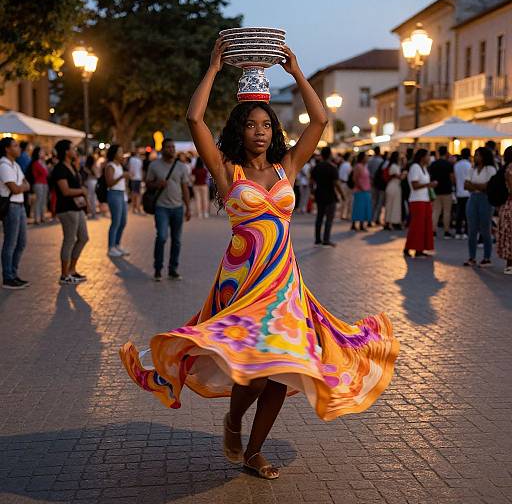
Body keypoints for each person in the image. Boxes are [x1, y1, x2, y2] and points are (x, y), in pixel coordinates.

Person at [119, 40, 399, 480]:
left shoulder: (288, 166)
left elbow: (321, 119)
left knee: (280, 371)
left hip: (285, 285)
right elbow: (194, 118)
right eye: (251, 125)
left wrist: (298, 72)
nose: (260, 131)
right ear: (239, 130)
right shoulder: (227, 170)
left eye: (266, 124)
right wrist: (213, 67)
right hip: (242, 284)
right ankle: (233, 421)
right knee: (251, 372)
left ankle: (253, 450)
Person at [146, 138, 191, 281]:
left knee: (177, 240)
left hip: (177, 207)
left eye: (173, 147)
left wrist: (188, 207)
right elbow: (147, 184)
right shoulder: (154, 165)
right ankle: (158, 268)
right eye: (168, 147)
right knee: (162, 237)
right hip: (161, 207)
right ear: (162, 149)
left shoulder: (181, 167)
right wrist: (156, 184)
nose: (171, 149)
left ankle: (173, 269)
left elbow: (185, 188)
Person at [52, 140, 89, 285]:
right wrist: (82, 191)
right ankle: (64, 274)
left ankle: (72, 269)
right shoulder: (60, 168)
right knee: (69, 239)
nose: (76, 150)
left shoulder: (73, 166)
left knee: (83, 237)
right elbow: (65, 191)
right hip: (66, 209)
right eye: (73, 148)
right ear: (66, 151)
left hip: (77, 207)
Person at [0, 137, 30, 289]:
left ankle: (13, 273)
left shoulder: (15, 165)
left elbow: (26, 184)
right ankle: (7, 277)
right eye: (15, 145)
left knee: (22, 242)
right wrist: (22, 187)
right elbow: (16, 188)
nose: (18, 148)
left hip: (20, 206)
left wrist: (22, 186)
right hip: (11, 206)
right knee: (10, 242)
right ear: (7, 149)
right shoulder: (4, 166)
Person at [463, 147, 496, 267]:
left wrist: (474, 185)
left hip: (485, 200)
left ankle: (487, 258)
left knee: (485, 229)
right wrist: (479, 186)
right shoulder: (472, 169)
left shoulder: (490, 169)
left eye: (478, 155)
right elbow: (465, 185)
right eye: (475, 155)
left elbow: (488, 186)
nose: (476, 157)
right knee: (472, 229)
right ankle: (472, 257)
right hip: (473, 199)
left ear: (484, 156)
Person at [404, 149, 437, 257]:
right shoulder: (415, 167)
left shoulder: (424, 168)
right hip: (417, 200)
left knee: (425, 225)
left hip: (425, 199)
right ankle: (411, 247)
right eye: (428, 156)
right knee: (417, 225)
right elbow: (414, 185)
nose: (429, 158)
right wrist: (429, 185)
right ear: (422, 157)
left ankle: (421, 248)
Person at [311, 146, 343, 246]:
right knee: (329, 218)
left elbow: (311, 181)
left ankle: (317, 238)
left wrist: (312, 192)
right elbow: (336, 183)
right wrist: (341, 194)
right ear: (329, 155)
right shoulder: (332, 167)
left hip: (319, 194)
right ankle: (326, 239)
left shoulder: (316, 167)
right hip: (330, 195)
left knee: (319, 217)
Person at [105, 145, 130, 257]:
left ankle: (117, 244)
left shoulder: (120, 165)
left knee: (123, 221)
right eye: (120, 152)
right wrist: (121, 177)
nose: (122, 154)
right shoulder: (110, 166)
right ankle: (111, 247)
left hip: (122, 194)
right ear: (114, 153)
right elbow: (109, 183)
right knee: (116, 221)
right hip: (114, 194)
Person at [429, 146, 454, 239]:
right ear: (446, 153)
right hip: (447, 190)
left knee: (436, 211)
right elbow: (452, 177)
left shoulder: (434, 164)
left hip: (436, 190)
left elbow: (430, 176)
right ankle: (446, 231)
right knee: (447, 212)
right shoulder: (449, 164)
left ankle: (433, 231)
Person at [496, 146, 512, 274]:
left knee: (508, 233)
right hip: (510, 205)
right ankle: (509, 264)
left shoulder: (504, 168)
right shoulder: (510, 169)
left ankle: (509, 263)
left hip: (507, 204)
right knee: (509, 234)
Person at [351, 151, 372, 232]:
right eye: (366, 157)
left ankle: (361, 224)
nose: (367, 158)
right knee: (358, 208)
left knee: (363, 208)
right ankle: (355, 224)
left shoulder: (365, 166)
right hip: (360, 190)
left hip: (365, 190)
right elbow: (355, 178)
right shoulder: (358, 166)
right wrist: (361, 187)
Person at [454, 148, 471, 239]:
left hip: (459, 191)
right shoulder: (469, 165)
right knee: (467, 213)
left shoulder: (457, 165)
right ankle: (466, 232)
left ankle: (458, 231)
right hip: (468, 193)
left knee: (459, 213)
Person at [30, 147, 49, 224]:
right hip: (38, 184)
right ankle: (37, 218)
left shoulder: (42, 162)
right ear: (37, 153)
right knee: (38, 201)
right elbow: (45, 172)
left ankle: (42, 216)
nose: (43, 153)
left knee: (43, 201)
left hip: (44, 183)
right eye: (41, 152)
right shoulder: (36, 163)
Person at [384, 151, 403, 230]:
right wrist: (404, 174)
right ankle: (391, 222)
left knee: (392, 205)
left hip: (394, 186)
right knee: (392, 205)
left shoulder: (394, 166)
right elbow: (398, 176)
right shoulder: (394, 166)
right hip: (394, 186)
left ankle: (391, 222)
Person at [367, 146, 384, 226]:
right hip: (380, 184)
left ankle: (370, 220)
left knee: (373, 202)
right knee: (379, 202)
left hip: (372, 183)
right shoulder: (381, 161)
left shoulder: (370, 161)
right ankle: (377, 219)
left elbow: (367, 172)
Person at [83, 155, 99, 219]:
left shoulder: (85, 167)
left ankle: (89, 212)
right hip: (93, 182)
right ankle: (93, 213)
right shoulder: (93, 166)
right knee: (93, 198)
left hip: (87, 182)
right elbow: (97, 175)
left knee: (89, 198)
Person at [338, 152, 353, 220]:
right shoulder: (348, 165)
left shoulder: (343, 164)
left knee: (343, 200)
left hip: (342, 183)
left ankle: (342, 215)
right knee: (348, 201)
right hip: (346, 184)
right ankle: (347, 215)